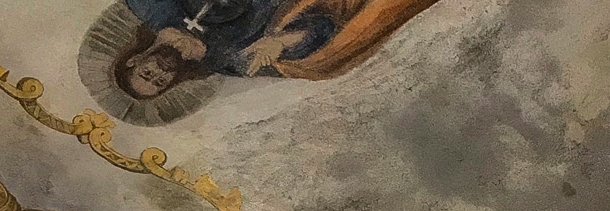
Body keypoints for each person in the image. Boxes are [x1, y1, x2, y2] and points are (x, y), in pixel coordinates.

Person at [113, 0, 438, 98]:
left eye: (148, 73)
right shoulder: (223, 59)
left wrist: (169, 22)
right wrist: (280, 42)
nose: (161, 72)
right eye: (160, 82)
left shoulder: (148, 8)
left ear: (135, 59)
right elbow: (320, 29)